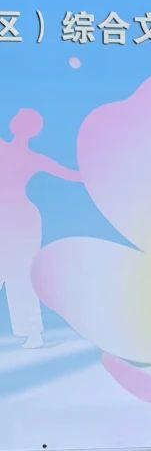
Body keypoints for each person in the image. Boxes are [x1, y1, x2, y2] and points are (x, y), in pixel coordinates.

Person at [0, 109, 81, 349]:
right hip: (16, 217)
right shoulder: (26, 156)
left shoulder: (22, 155)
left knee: (20, 273)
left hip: (19, 219)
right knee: (18, 273)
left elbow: (71, 175)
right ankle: (33, 332)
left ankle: (33, 332)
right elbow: (71, 175)